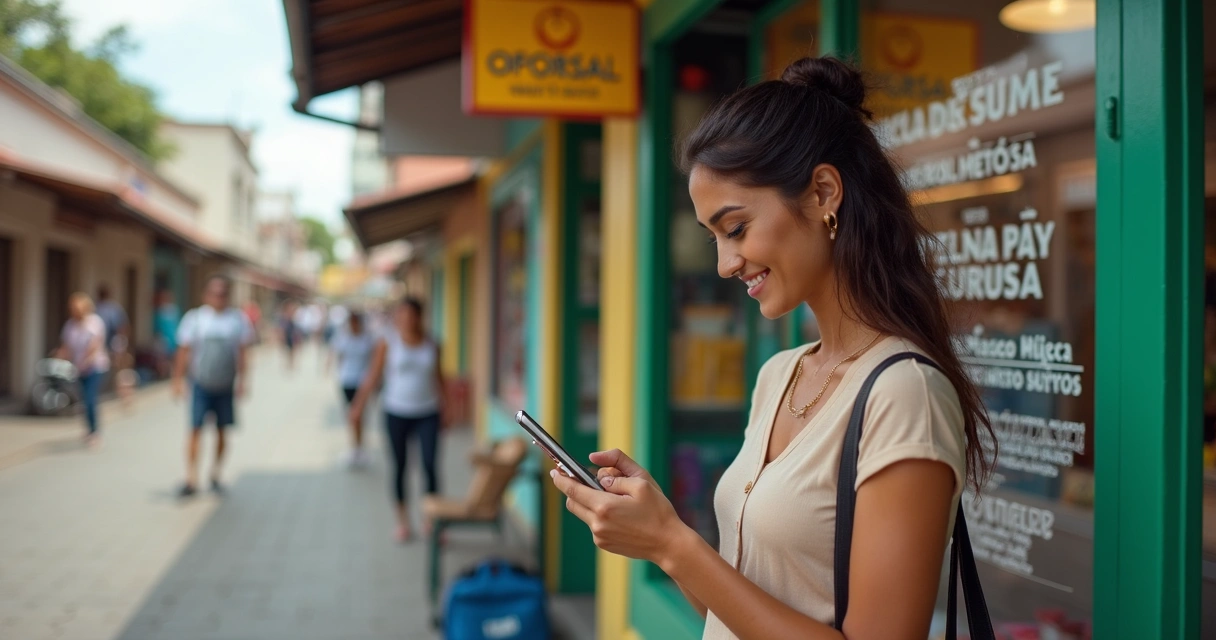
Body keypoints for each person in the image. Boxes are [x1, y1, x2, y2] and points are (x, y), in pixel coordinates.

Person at [550, 56, 994, 639]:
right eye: (713, 238)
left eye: (735, 229)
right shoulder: (779, 375)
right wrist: (658, 537)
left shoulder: (904, 393)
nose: (725, 263)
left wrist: (675, 545)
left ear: (823, 193)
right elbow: (735, 615)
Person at [350, 297, 446, 542]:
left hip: (428, 412)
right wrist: (358, 406)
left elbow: (440, 377)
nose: (406, 320)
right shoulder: (388, 342)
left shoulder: (431, 344)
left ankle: (432, 521)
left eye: (411, 315)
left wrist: (448, 409)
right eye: (401, 315)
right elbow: (373, 375)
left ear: (419, 317)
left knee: (429, 465)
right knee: (400, 466)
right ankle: (403, 522)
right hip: (396, 412)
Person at [172, 274, 255, 498]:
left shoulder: (237, 320)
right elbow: (184, 350)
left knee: (222, 431)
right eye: (215, 293)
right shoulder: (195, 318)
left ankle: (215, 474)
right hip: (200, 383)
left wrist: (244, 381)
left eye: (223, 293)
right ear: (206, 295)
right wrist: (177, 380)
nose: (219, 297)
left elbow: (243, 352)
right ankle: (191, 478)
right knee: (195, 429)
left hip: (225, 385)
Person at [57, 293, 110, 446]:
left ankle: (94, 431)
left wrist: (86, 359)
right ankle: (89, 429)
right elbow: (66, 346)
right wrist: (60, 355)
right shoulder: (70, 325)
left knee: (90, 398)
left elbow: (95, 344)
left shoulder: (94, 323)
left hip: (95, 366)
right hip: (78, 368)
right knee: (83, 401)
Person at [329, 310, 376, 468]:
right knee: (352, 415)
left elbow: (373, 361)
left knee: (360, 415)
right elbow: (338, 356)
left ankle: (359, 447)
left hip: (363, 383)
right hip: (347, 381)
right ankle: (355, 447)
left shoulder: (367, 339)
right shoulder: (343, 338)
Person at [153, 289, 181, 379]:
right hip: (162, 340)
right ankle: (163, 375)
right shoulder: (159, 311)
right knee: (162, 359)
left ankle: (172, 375)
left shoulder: (173, 310)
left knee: (173, 358)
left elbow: (176, 325)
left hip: (173, 339)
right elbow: (157, 327)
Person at [279, 300, 300, 371]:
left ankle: (291, 364)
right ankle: (288, 364)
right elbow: (283, 328)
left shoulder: (293, 316)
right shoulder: (285, 317)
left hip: (292, 335)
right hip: (288, 334)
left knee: (292, 350)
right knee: (287, 350)